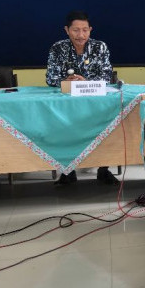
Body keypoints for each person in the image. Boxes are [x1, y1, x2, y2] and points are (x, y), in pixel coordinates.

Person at [46, 10, 117, 185]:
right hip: (67, 104)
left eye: (85, 30)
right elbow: (50, 78)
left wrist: (85, 82)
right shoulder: (57, 48)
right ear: (67, 30)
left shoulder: (100, 47)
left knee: (106, 126)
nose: (81, 35)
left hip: (95, 102)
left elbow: (106, 76)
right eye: (76, 30)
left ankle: (103, 169)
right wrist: (66, 81)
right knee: (64, 130)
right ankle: (68, 171)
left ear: (90, 30)